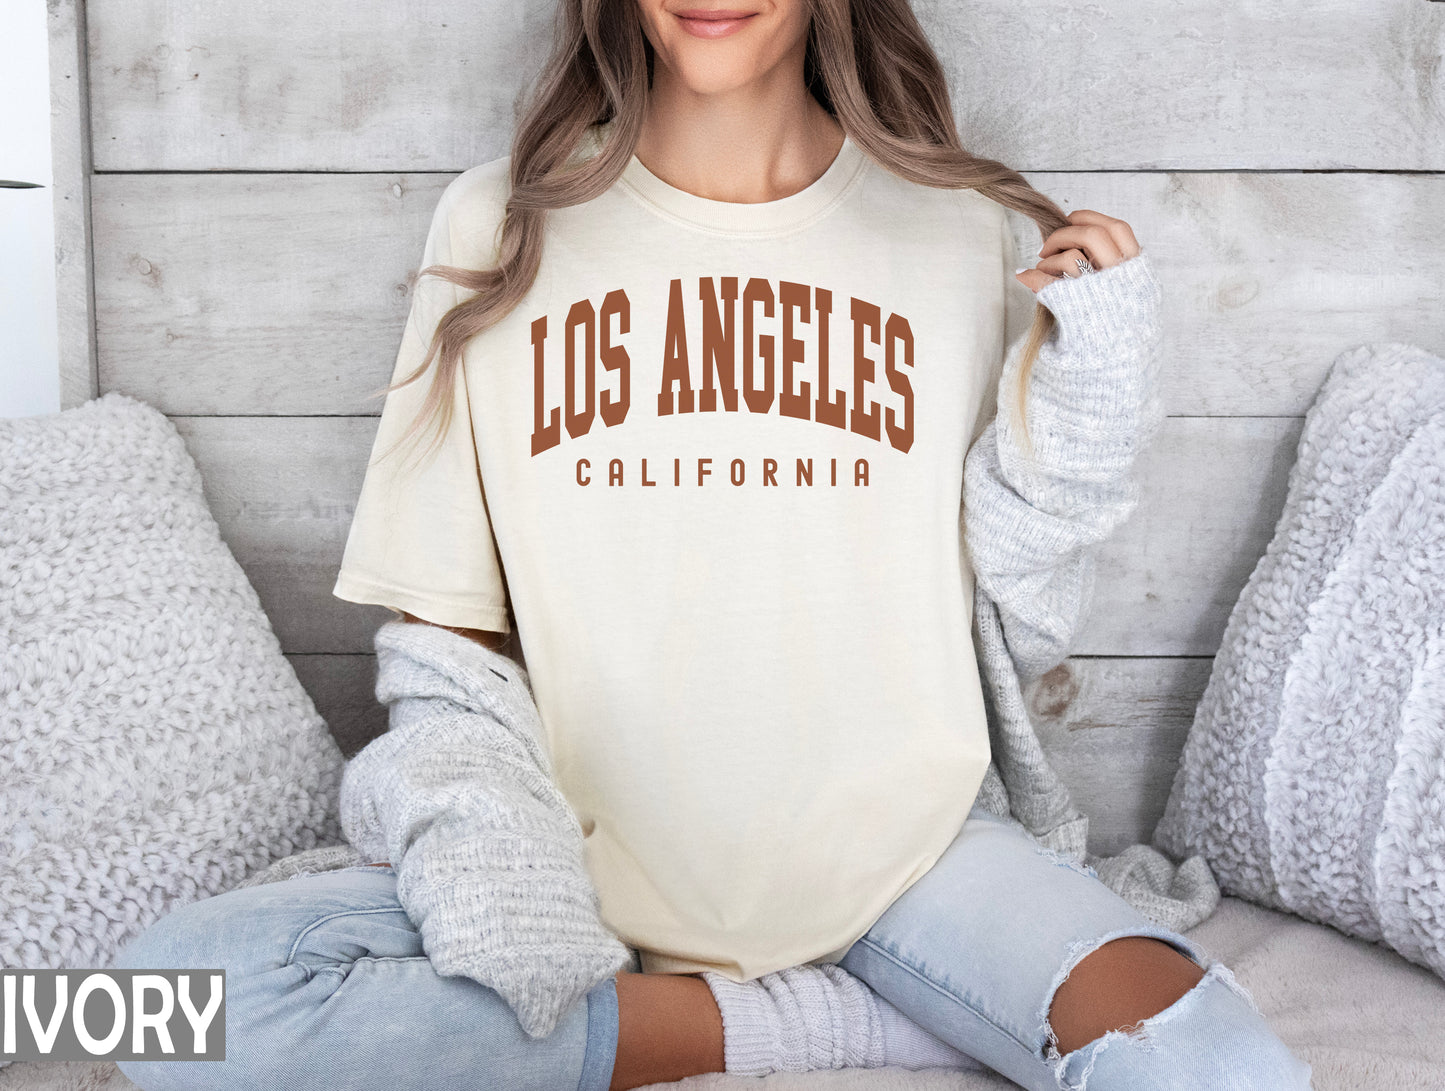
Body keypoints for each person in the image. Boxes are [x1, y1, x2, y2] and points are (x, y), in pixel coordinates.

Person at [113, 1, 1315, 1089]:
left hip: (910, 863)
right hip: (578, 866)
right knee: (133, 1014)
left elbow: (1020, 586)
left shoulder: (967, 229)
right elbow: (444, 631)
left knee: (1221, 1066)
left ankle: (822, 997)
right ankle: (824, 1019)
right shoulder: (499, 223)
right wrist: (493, 871)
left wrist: (1094, 406)